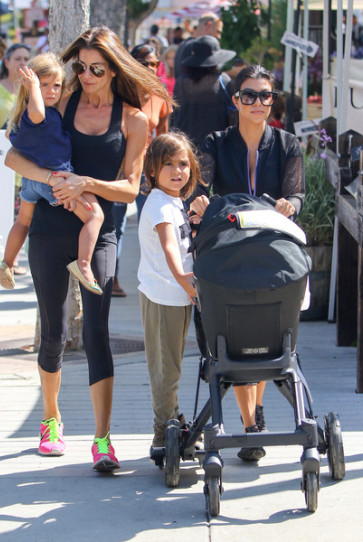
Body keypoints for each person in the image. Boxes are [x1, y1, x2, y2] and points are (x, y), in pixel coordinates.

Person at [5, 26, 172, 470]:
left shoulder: (134, 119)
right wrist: (52, 181)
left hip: (102, 231)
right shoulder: (60, 102)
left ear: (114, 67)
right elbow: (16, 156)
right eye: (80, 66)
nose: (87, 73)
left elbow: (132, 188)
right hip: (49, 227)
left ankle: (102, 439)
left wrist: (86, 183)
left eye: (96, 67)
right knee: (54, 329)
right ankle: (51, 418)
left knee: (98, 332)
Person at [189, 65, 305, 462]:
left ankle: (252, 418)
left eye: (266, 95)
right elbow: (200, 188)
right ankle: (251, 421)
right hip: (231, 247)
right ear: (235, 100)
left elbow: (297, 194)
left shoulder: (287, 144)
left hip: (272, 247)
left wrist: (293, 204)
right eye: (250, 95)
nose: (259, 102)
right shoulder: (216, 143)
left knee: (260, 330)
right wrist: (199, 201)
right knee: (235, 336)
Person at [0, 53, 104, 295]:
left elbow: (9, 136)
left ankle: (8, 262)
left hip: (31, 181)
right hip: (56, 179)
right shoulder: (38, 115)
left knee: (23, 220)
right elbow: (37, 113)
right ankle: (84, 265)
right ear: (30, 86)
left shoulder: (21, 116)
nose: (51, 91)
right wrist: (34, 86)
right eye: (44, 84)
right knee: (94, 215)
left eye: (56, 85)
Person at [138, 132, 203, 454]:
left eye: (183, 164)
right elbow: (168, 246)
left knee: (172, 365)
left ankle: (173, 420)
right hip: (165, 295)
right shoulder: (161, 205)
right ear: (152, 170)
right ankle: (163, 431)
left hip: (177, 296)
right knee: (166, 368)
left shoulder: (173, 202)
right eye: (168, 165)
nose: (177, 171)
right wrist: (182, 277)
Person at [171, 35, 236, 148]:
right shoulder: (223, 81)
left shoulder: (181, 83)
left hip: (185, 148)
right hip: (216, 148)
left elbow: (175, 116)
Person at [130, 43, 171, 219]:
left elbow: (163, 135)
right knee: (114, 225)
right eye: (143, 63)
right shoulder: (120, 92)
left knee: (146, 218)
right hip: (117, 164)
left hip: (145, 165)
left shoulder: (159, 94)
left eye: (153, 64)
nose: (149, 68)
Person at [174, 12, 224, 79]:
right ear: (208, 26)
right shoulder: (196, 48)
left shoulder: (183, 45)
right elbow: (202, 80)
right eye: (218, 31)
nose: (219, 37)